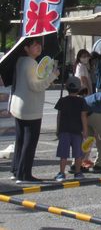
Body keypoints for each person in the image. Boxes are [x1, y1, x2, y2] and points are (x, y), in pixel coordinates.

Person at [9, 36, 59, 184]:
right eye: (34, 45)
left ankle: (16, 170)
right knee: (29, 141)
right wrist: (52, 76)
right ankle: (24, 175)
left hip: (19, 105)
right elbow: (35, 86)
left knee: (20, 139)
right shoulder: (30, 63)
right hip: (30, 108)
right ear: (26, 48)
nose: (38, 46)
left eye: (39, 44)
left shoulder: (20, 61)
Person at [54, 76, 89, 181]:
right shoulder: (81, 101)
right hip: (77, 130)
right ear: (79, 89)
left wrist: (57, 129)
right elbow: (83, 116)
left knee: (63, 154)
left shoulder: (62, 100)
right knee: (78, 154)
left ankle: (61, 173)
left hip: (64, 129)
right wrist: (85, 130)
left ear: (66, 87)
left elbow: (59, 116)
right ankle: (78, 172)